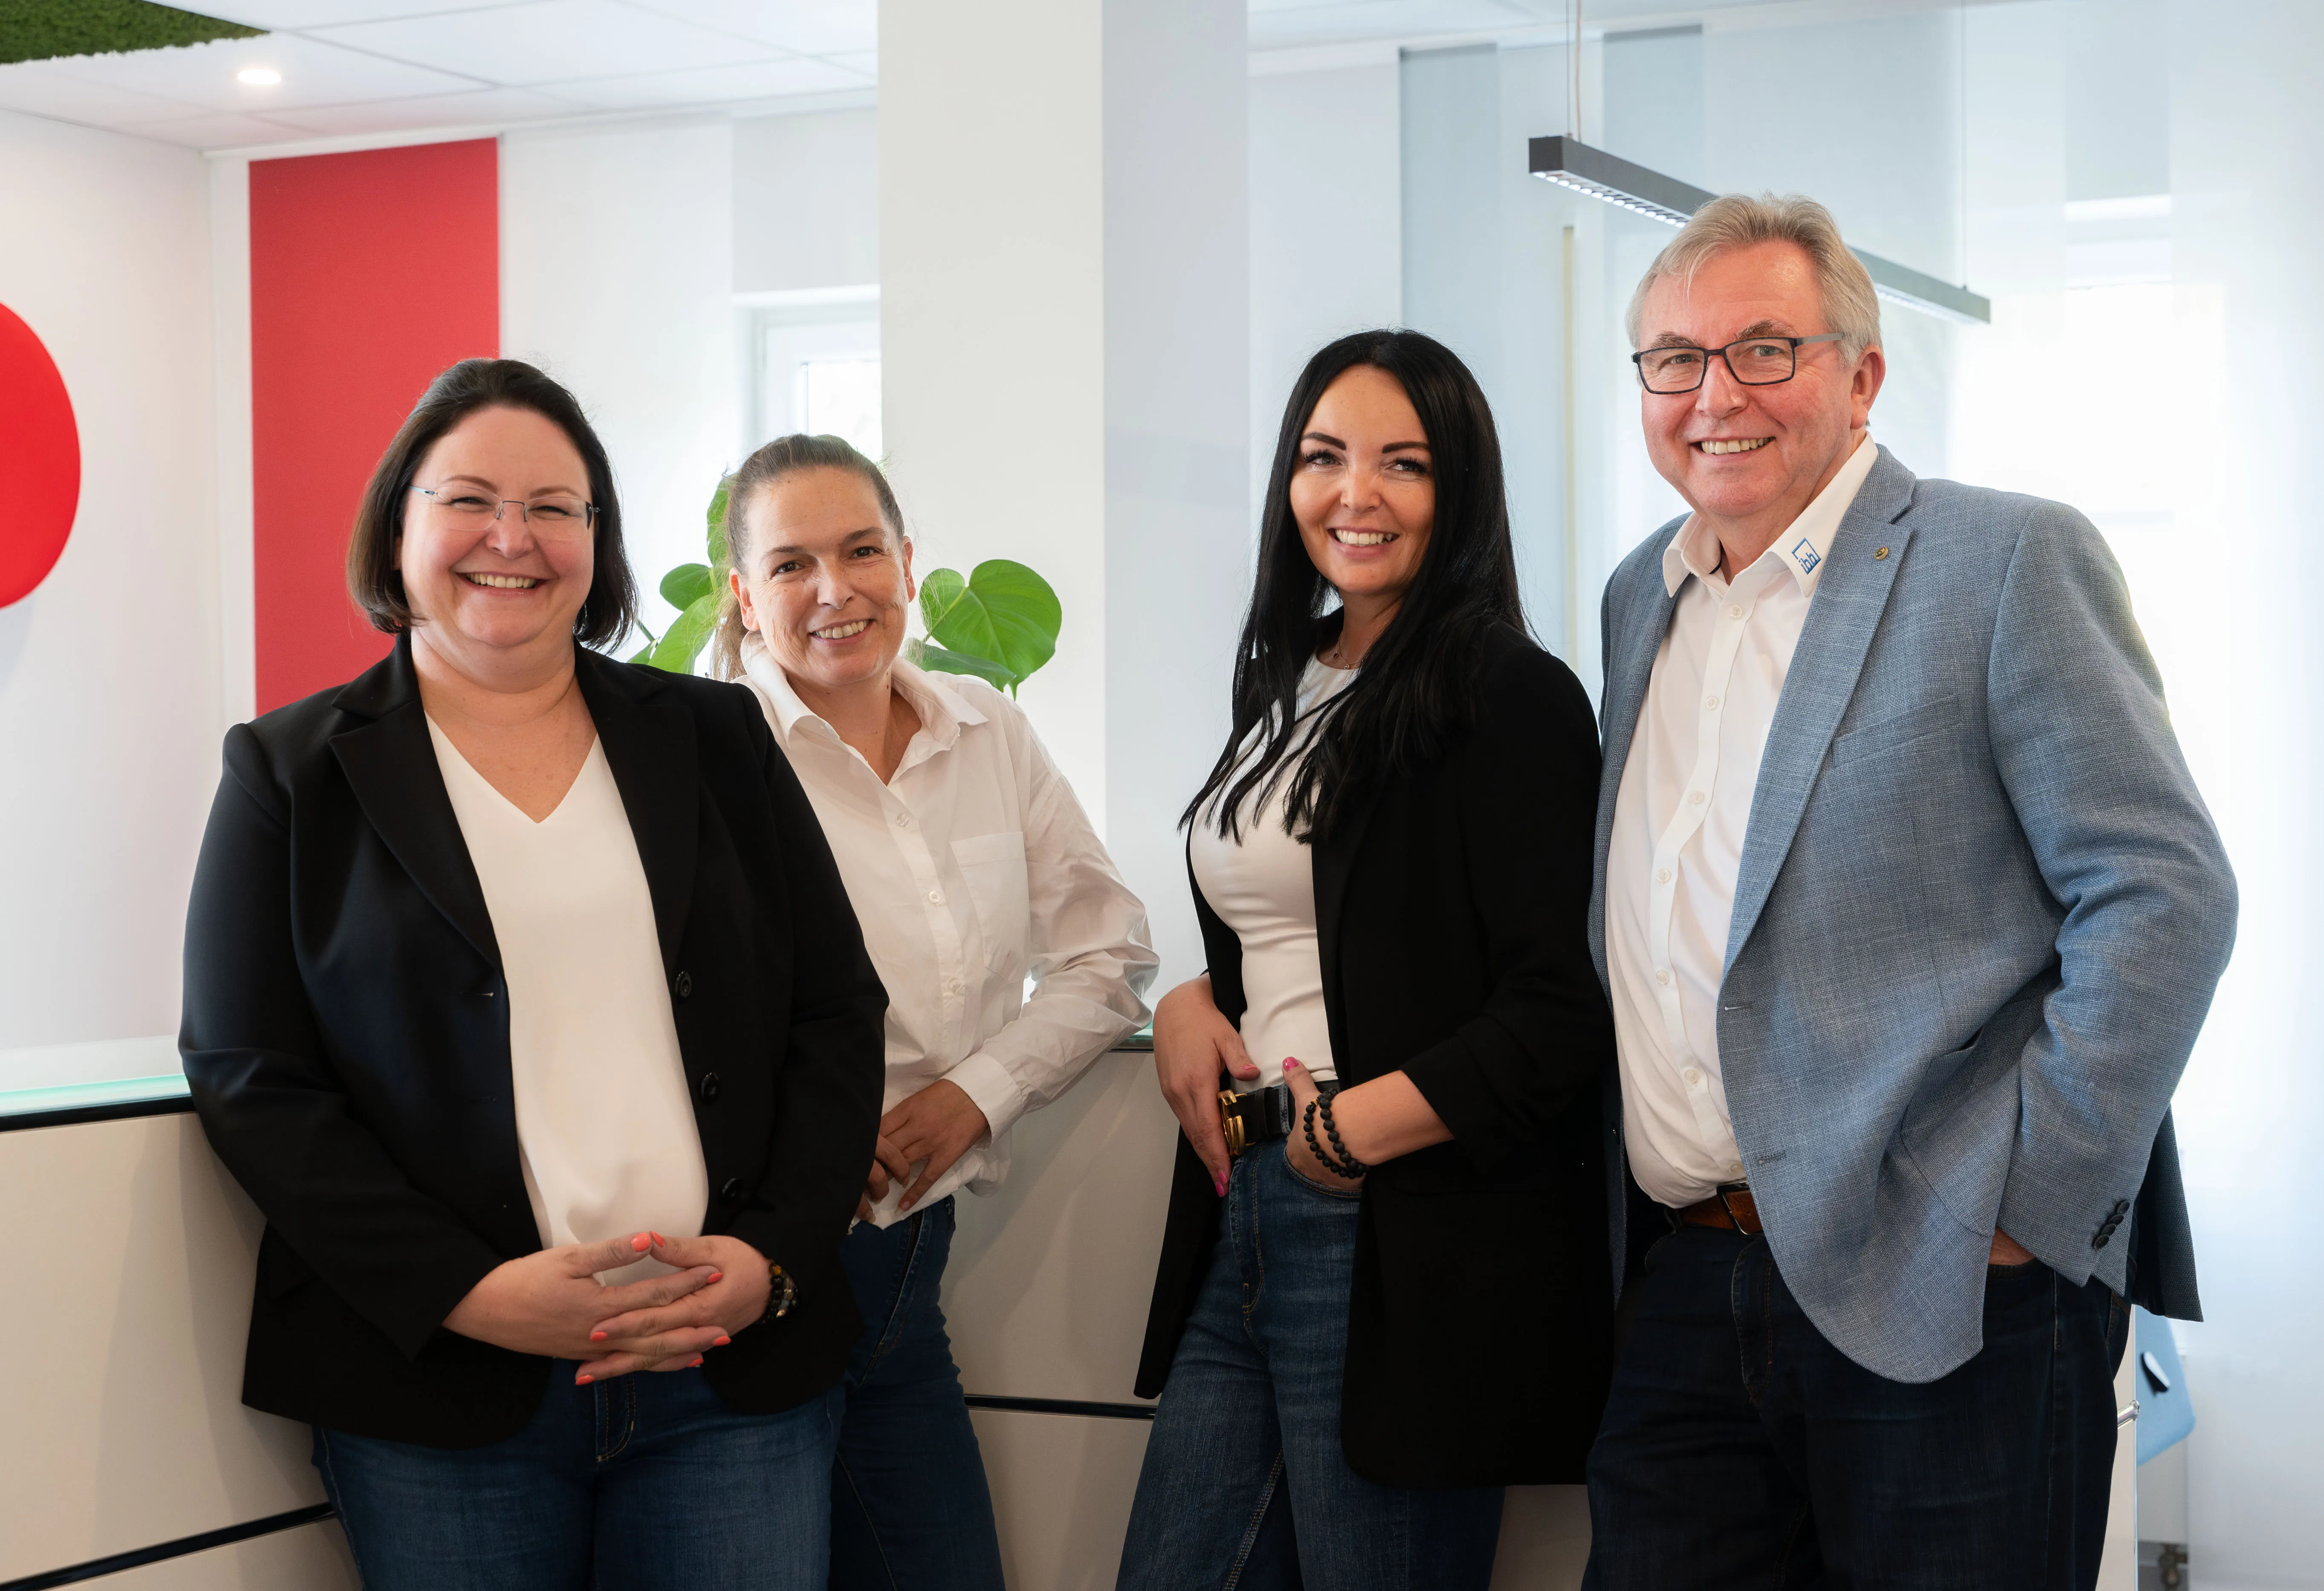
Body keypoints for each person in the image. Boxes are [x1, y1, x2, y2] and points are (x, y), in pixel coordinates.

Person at [1582, 194, 2238, 1589]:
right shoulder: (1640, 596)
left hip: (1943, 1276)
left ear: (1861, 373)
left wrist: (2025, 1208)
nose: (1714, 396)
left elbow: (2161, 887)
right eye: (1674, 359)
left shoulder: (1999, 559)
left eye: (1764, 349)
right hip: (1690, 1278)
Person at [180, 359, 888, 1591]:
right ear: (397, 527)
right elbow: (250, 1075)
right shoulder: (290, 773)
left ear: (595, 542)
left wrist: (771, 1261)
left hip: (726, 1378)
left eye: (555, 508)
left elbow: (834, 1012)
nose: (511, 539)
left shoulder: (715, 737)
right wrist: (468, 1292)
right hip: (444, 1396)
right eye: (469, 500)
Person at [1120, 330, 1617, 1591]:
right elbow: (1302, 930)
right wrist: (1187, 999)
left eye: (1405, 462)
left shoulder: (1507, 692)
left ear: (1460, 491)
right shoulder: (1284, 680)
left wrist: (1347, 1136)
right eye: (1323, 456)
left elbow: (1558, 1009)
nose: (1357, 493)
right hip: (1244, 1203)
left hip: (1391, 1220)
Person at [711, 432, 1159, 1590]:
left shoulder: (986, 728)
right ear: (744, 597)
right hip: (770, 1264)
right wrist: (805, 1148)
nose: (835, 590)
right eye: (791, 564)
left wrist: (978, 1093)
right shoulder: (707, 753)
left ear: (908, 563)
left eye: (862, 550)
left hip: (909, 1260)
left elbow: (1108, 949)